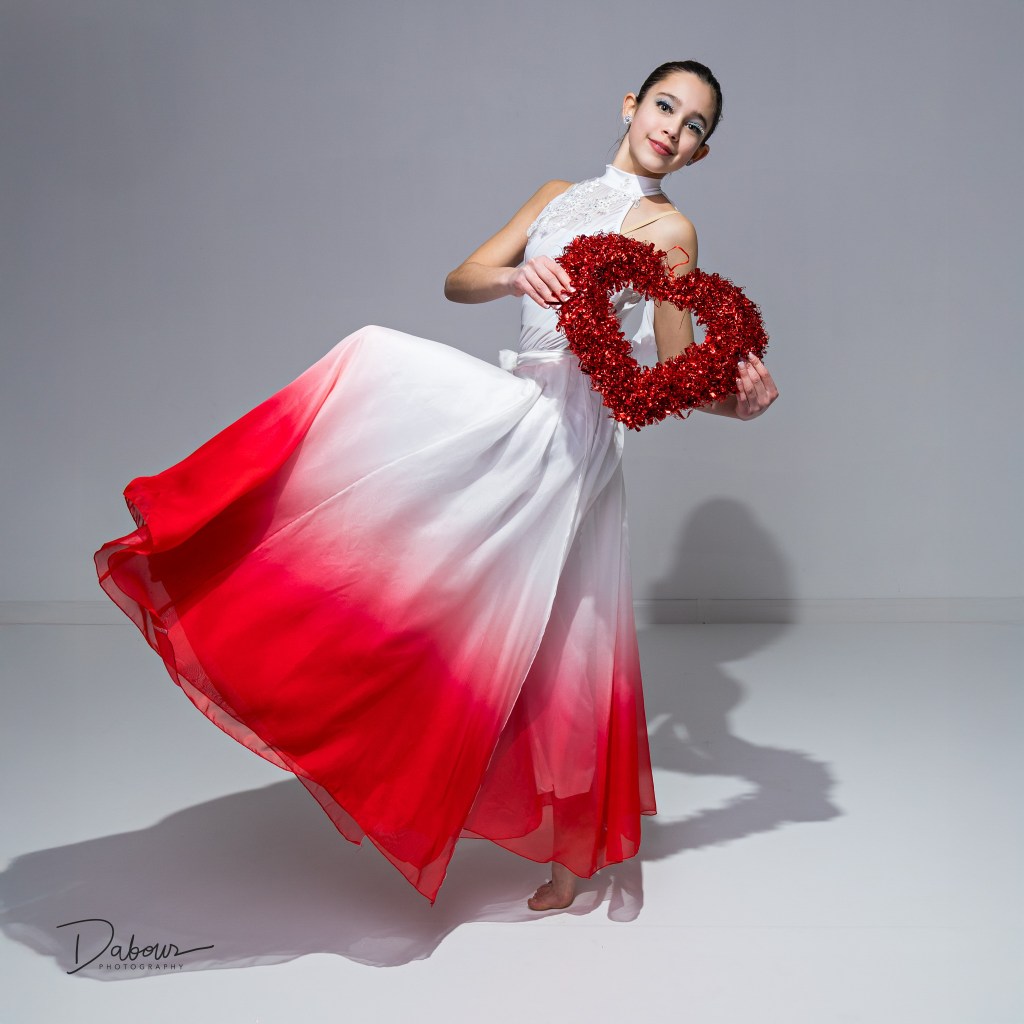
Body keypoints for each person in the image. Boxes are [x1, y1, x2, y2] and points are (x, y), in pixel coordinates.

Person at [93, 59, 778, 916]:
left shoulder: (671, 231)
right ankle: (237, 570)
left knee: (568, 640)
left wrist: (739, 407)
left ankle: (570, 852)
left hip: (574, 442)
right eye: (666, 106)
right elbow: (460, 279)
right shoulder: (557, 195)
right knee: (374, 379)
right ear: (632, 104)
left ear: (698, 155)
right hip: (515, 403)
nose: (672, 129)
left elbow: (672, 373)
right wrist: (516, 274)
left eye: (695, 127)